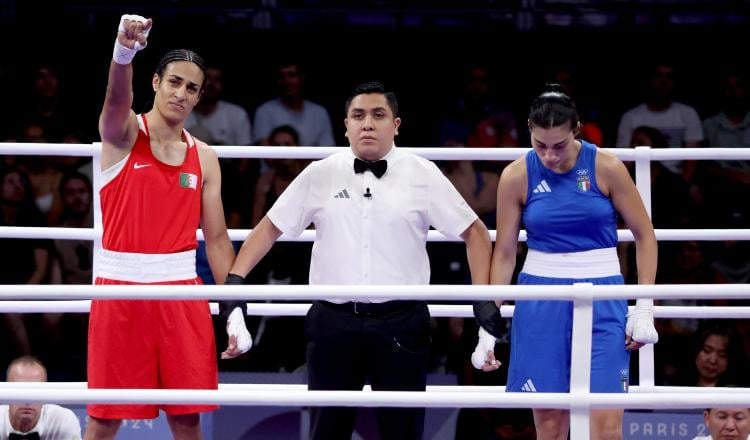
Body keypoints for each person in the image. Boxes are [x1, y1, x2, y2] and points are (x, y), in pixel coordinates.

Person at [226, 81, 492, 440]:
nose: (367, 123)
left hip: (402, 322)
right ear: (345, 125)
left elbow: (475, 232)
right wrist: (235, 283)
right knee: (327, 431)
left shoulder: (422, 173)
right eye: (358, 115)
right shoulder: (320, 172)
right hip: (333, 321)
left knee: (403, 433)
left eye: (378, 115)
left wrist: (483, 297)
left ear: (396, 124)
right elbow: (268, 228)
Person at [84, 14, 251, 440]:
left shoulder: (205, 157)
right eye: (174, 82)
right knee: (104, 420)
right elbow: (115, 100)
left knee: (187, 418)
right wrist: (124, 52)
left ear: (199, 98)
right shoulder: (121, 135)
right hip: (120, 289)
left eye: (191, 87)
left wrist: (233, 307)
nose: (181, 93)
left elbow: (215, 240)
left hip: (181, 291)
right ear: (155, 82)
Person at [472, 84, 659, 439]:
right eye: (539, 145)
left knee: (605, 427)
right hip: (541, 296)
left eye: (558, 146)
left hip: (604, 294)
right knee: (551, 426)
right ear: (529, 128)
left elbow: (645, 236)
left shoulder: (607, 167)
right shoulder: (515, 176)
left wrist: (644, 305)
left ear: (577, 130)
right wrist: (488, 325)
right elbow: (506, 253)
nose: (549, 156)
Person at [0, 356, 82, 439]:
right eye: (20, 391)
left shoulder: (63, 421)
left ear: (44, 393)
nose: (27, 401)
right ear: (7, 392)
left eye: (35, 392)